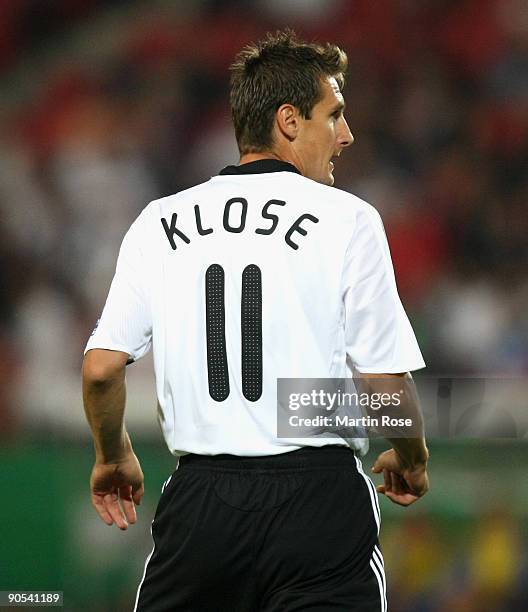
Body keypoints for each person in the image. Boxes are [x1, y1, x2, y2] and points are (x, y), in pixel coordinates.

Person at [82, 30, 429, 612]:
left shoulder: (158, 222)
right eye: (335, 115)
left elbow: (100, 369)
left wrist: (112, 454)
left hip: (202, 504)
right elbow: (384, 383)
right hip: (321, 505)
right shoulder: (348, 220)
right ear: (289, 121)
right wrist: (412, 458)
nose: (346, 135)